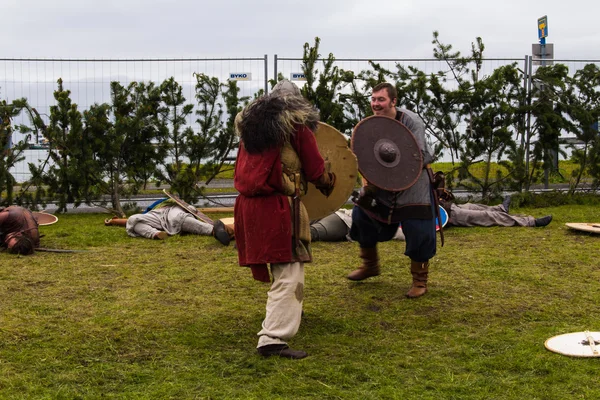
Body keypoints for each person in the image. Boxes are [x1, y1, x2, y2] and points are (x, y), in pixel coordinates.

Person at [233, 80, 335, 360]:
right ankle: (272, 339)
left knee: (282, 267)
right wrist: (329, 180)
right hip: (277, 206)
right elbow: (315, 169)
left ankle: (290, 310)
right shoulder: (296, 126)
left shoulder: (249, 129)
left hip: (247, 206)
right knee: (290, 270)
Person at [347, 82, 437, 299]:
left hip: (414, 183)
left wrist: (397, 169)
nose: (376, 104)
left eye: (381, 99)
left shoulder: (410, 121)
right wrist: (369, 183)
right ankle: (370, 265)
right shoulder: (369, 124)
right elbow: (363, 156)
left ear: (393, 101)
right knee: (362, 214)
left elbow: (420, 155)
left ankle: (420, 280)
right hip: (381, 183)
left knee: (418, 228)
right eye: (373, 99)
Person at [104, 199, 232, 246]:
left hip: (172, 210)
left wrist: (185, 206)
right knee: (133, 220)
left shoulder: (172, 202)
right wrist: (113, 222)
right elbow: (130, 221)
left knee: (179, 218)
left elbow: (191, 209)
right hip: (156, 216)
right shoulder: (150, 210)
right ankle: (156, 234)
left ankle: (214, 230)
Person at [439, 192, 553, 228]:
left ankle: (501, 208)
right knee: (486, 216)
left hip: (449, 207)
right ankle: (530, 222)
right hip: (450, 216)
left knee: (474, 206)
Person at [310, 209, 406, 242]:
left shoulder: (400, 227)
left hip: (344, 222)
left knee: (310, 232)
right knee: (304, 226)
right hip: (342, 219)